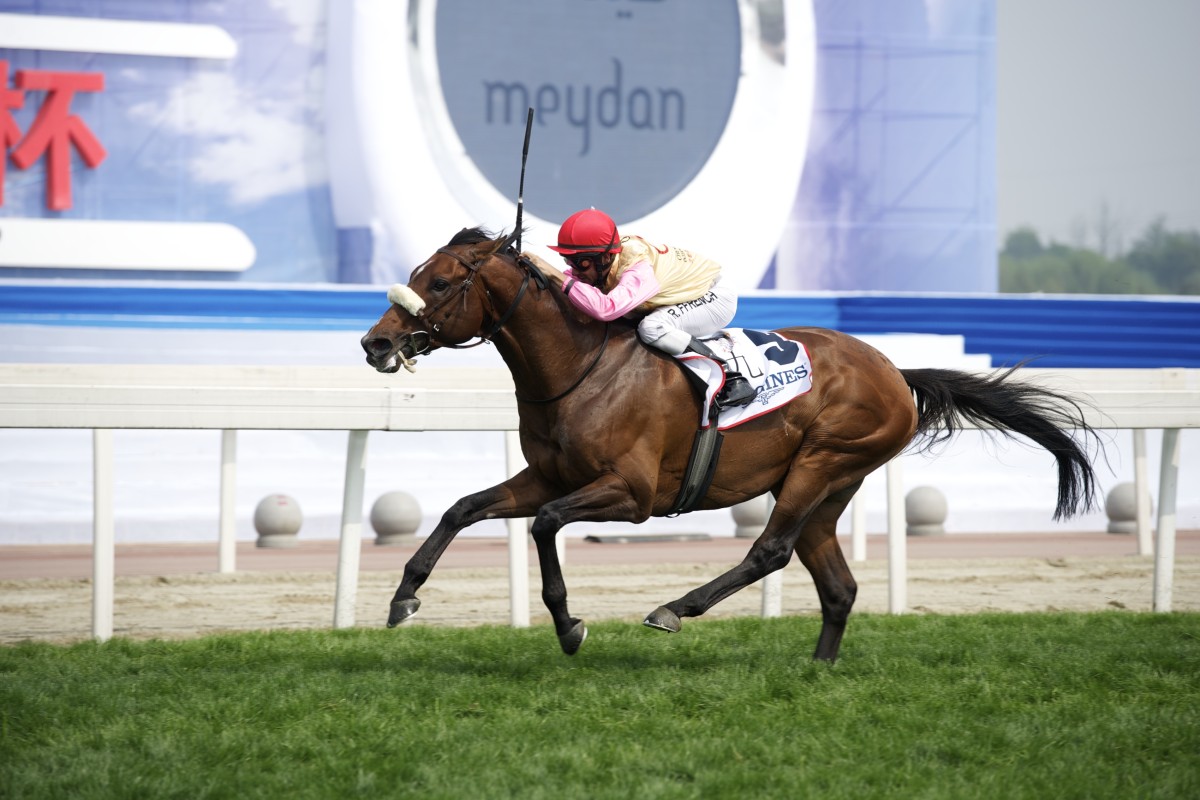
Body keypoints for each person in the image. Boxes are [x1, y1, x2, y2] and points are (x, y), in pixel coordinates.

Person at [546, 208, 756, 409]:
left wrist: (557, 277)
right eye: (568, 260)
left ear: (606, 257)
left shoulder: (637, 268)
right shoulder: (602, 262)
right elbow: (569, 284)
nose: (574, 269)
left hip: (714, 296)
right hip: (681, 294)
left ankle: (730, 378)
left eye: (581, 263)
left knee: (651, 327)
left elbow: (605, 309)